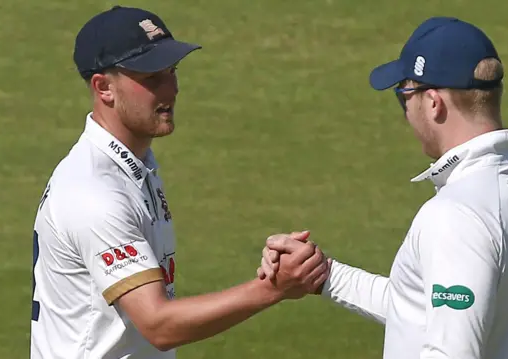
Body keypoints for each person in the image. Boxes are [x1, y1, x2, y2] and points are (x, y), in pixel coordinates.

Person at [29, 5, 329, 359]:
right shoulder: (93, 192)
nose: (172, 89)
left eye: (171, 70)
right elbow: (158, 325)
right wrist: (272, 289)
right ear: (104, 87)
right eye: (151, 77)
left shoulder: (134, 167)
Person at [259, 16, 508, 359]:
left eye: (404, 95)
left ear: (433, 103)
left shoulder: (456, 215)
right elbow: (425, 311)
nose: (405, 114)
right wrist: (325, 275)